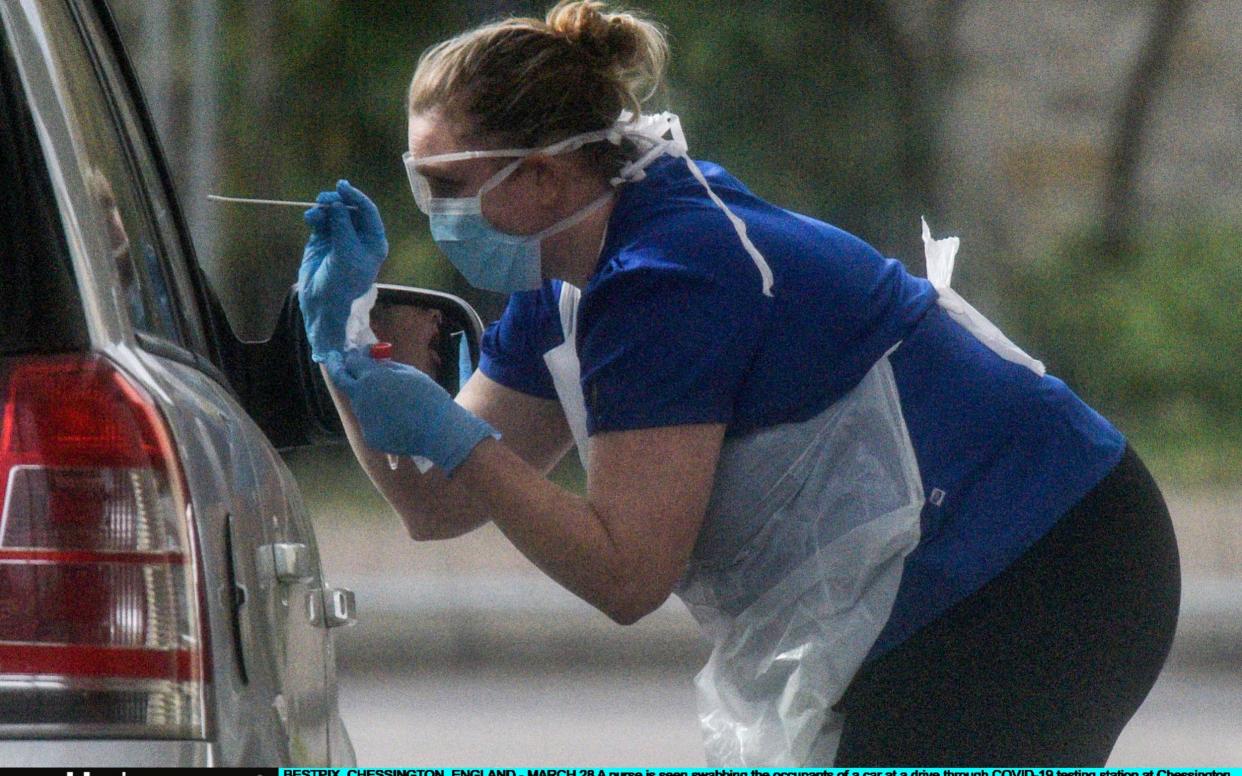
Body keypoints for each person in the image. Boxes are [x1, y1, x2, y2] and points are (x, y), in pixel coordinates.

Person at [296, 1, 1180, 765]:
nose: (428, 211)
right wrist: (340, 345)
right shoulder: (561, 276)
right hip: (961, 572)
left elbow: (627, 575)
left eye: (446, 184)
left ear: (542, 175)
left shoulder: (669, 274)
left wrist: (455, 435)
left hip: (1045, 556)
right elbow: (435, 507)